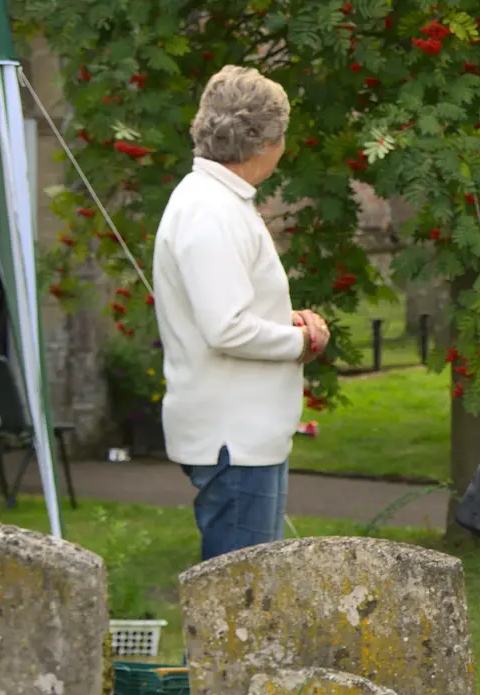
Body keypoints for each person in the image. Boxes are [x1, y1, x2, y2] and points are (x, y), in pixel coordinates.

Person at [154, 66, 330, 561]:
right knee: (240, 611)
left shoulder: (217, 201)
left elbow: (228, 307)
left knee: (244, 612)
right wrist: (303, 342)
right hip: (234, 439)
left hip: (242, 434)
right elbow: (225, 327)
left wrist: (283, 318)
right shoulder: (211, 209)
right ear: (268, 140)